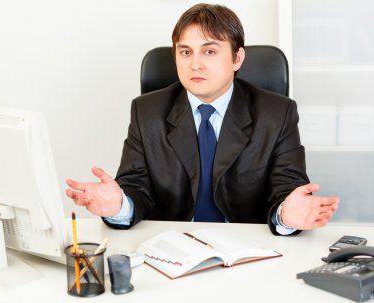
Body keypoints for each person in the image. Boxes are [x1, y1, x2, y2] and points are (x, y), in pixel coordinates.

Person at [66, 3, 339, 235]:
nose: (195, 63)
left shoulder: (277, 113)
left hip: (249, 249)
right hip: (171, 247)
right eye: (185, 52)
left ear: (237, 58)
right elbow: (135, 189)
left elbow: (287, 191)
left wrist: (285, 215)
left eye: (209, 51)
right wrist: (118, 206)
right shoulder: (146, 111)